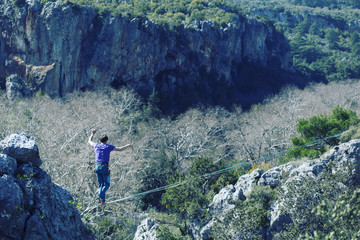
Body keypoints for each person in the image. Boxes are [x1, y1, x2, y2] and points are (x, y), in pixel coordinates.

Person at [88, 129, 133, 205]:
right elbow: (120, 149)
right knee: (107, 184)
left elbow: (89, 141)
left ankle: (102, 200)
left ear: (100, 140)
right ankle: (98, 196)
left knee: (101, 185)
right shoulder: (108, 147)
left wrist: (92, 134)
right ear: (107, 140)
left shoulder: (96, 145)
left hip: (97, 166)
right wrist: (128, 145)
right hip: (104, 167)